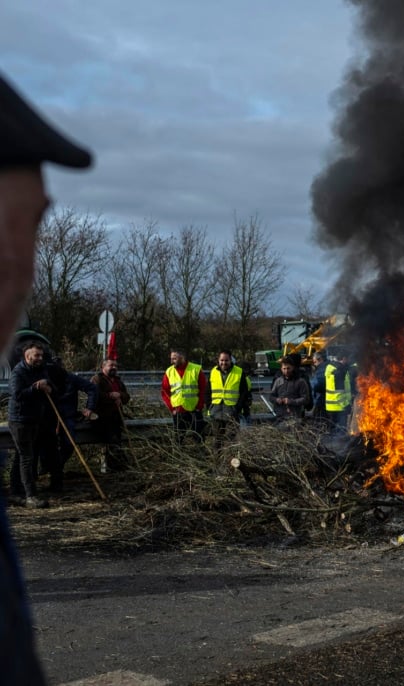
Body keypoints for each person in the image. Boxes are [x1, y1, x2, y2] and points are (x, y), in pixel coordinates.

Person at [0, 68, 92, 684]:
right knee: (27, 463)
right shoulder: (19, 373)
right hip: (24, 420)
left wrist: (78, 393)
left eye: (33, 228)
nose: (23, 271)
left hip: (47, 418)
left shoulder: (50, 362)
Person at [8, 342, 53, 508]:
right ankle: (30, 496)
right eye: (37, 355)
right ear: (28, 356)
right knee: (27, 457)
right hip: (20, 420)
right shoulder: (18, 372)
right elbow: (17, 394)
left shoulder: (40, 369)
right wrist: (36, 387)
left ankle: (14, 493)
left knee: (21, 456)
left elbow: (49, 384)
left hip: (34, 419)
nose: (40, 358)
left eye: (41, 355)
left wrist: (48, 387)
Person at [46, 357, 98, 489]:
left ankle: (56, 468)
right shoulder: (44, 378)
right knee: (46, 447)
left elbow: (92, 388)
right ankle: (51, 475)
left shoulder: (71, 378)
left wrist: (89, 407)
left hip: (68, 416)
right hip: (48, 418)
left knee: (69, 444)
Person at [206, 349, 251, 453]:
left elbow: (243, 392)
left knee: (232, 441)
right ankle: (217, 464)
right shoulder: (213, 372)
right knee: (217, 442)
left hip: (232, 413)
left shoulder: (239, 372)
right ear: (218, 360)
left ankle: (231, 464)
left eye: (226, 360)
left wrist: (237, 408)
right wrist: (209, 406)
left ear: (230, 360)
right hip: (216, 412)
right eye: (222, 360)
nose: (224, 363)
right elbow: (207, 391)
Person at [91, 358, 131, 473]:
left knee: (117, 441)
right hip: (102, 418)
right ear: (103, 367)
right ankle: (117, 468)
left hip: (117, 417)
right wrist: (111, 397)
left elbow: (127, 396)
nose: (114, 367)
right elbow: (96, 395)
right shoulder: (97, 379)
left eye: (115, 366)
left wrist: (119, 395)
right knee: (112, 442)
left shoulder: (118, 381)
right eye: (111, 365)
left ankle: (116, 468)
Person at [162, 348, 208, 443]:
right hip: (178, 412)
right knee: (178, 439)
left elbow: (203, 390)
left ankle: (200, 456)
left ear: (182, 358)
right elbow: (164, 392)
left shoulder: (196, 369)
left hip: (194, 411)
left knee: (199, 438)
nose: (171, 361)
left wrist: (199, 407)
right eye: (171, 358)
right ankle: (178, 456)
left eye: (174, 358)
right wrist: (172, 409)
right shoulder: (169, 372)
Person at [269, 353, 311, 420]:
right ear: (281, 369)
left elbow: (306, 399)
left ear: (293, 367)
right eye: (284, 368)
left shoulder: (301, 381)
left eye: (288, 368)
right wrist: (277, 400)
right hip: (280, 416)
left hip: (295, 416)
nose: (286, 371)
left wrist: (291, 401)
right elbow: (271, 396)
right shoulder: (278, 381)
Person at [325, 351, 352, 431]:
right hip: (339, 407)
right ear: (343, 358)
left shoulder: (330, 368)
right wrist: (346, 404)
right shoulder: (339, 370)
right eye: (347, 359)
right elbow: (339, 391)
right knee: (341, 432)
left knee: (333, 432)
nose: (348, 361)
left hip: (330, 406)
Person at [310, 350, 329, 420]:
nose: (314, 364)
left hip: (321, 401)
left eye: (315, 362)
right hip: (326, 400)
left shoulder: (322, 369)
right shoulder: (329, 366)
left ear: (320, 359)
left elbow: (317, 385)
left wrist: (310, 385)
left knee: (321, 421)